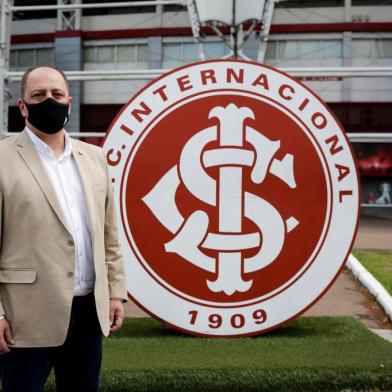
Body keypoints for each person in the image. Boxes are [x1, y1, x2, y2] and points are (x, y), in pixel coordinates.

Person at [0, 65, 127, 392]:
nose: (49, 101)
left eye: (56, 95)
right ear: (23, 106)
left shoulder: (94, 157)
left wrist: (115, 292)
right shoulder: (2, 159)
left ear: (69, 102)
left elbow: (109, 234)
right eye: (39, 95)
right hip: (23, 317)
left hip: (87, 314)